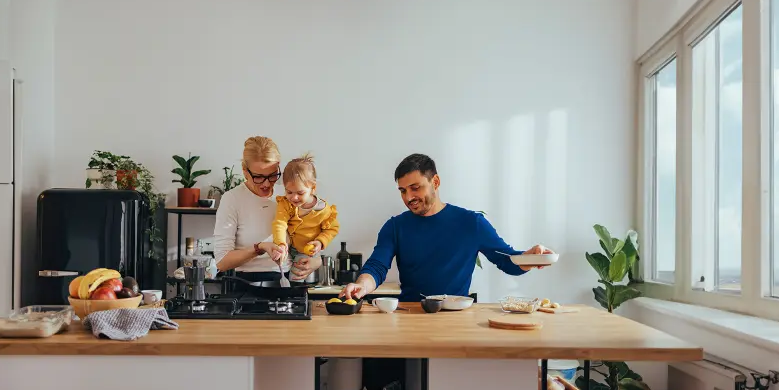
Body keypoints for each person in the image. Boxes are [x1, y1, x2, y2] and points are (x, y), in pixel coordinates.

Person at [340, 153, 552, 302]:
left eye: (415, 188)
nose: (409, 197)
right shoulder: (395, 226)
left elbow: (507, 261)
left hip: (456, 317)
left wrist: (531, 257)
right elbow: (377, 267)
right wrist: (362, 286)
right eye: (403, 191)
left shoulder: (471, 223)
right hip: (411, 315)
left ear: (436, 182)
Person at [212, 136, 323, 284]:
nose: (266, 184)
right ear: (245, 171)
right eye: (258, 177)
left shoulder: (289, 195)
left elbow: (308, 233)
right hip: (245, 286)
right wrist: (260, 248)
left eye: (272, 176)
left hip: (286, 280)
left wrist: (316, 261)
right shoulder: (232, 199)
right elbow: (221, 262)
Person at [270, 153, 340, 281]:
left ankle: (294, 296)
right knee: (279, 270)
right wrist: (280, 243)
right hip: (288, 245)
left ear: (313, 188)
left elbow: (332, 229)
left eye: (300, 193)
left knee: (296, 277)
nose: (294, 197)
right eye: (289, 192)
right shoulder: (285, 203)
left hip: (307, 250)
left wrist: (320, 242)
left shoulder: (323, 210)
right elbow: (279, 223)